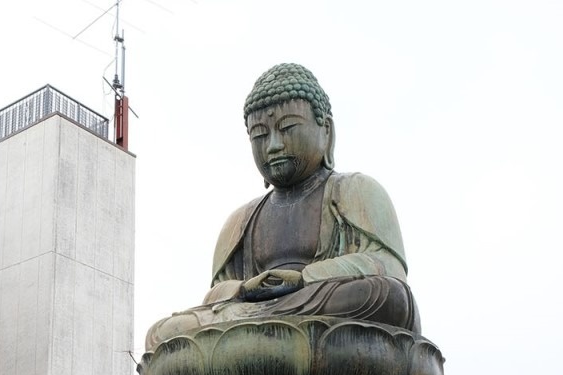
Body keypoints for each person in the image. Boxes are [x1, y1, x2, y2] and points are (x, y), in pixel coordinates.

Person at [145, 62, 421, 349]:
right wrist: (243, 288)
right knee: (164, 333)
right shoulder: (241, 219)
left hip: (323, 305)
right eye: (260, 135)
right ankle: (260, 338)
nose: (274, 146)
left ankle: (256, 341)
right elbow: (216, 296)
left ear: (326, 130)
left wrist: (304, 279)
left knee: (388, 296)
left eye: (287, 128)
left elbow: (389, 268)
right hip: (252, 313)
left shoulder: (355, 190)